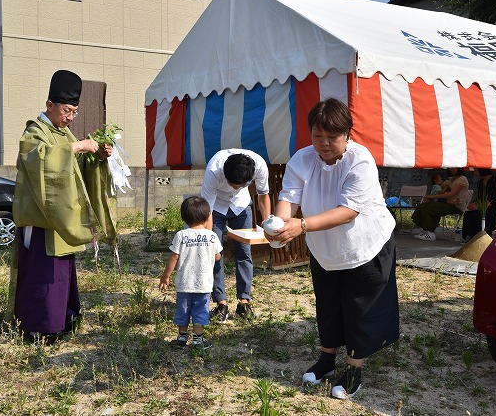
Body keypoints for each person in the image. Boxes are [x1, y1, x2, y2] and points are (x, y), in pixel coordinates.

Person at [265, 98, 398, 400]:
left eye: (332, 137)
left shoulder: (360, 161)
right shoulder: (302, 159)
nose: (323, 144)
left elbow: (348, 211)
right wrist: (280, 223)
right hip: (325, 249)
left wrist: (301, 226)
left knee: (360, 307)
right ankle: (327, 358)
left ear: (347, 134)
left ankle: (354, 367)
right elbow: (289, 196)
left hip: (365, 246)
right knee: (328, 303)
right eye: (317, 135)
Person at [6, 69, 114, 344]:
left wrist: (98, 156)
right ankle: (37, 328)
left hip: (61, 219)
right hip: (41, 219)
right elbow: (39, 160)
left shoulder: (64, 134)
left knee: (61, 275)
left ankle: (62, 321)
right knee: (41, 276)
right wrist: (77, 147)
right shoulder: (34, 132)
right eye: (67, 111)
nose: (70, 118)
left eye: (74, 112)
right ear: (49, 106)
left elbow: (75, 171)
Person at [201, 149, 271, 322]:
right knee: (215, 254)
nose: (234, 187)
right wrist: (210, 239)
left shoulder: (259, 165)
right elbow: (207, 211)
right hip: (216, 208)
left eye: (239, 185)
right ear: (224, 173)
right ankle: (221, 304)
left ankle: (244, 303)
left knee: (244, 252)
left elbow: (263, 196)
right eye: (232, 183)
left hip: (241, 206)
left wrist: (267, 223)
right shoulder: (213, 170)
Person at [159, 196, 223, 349]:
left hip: (184, 284)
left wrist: (165, 277)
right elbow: (218, 256)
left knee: (183, 310)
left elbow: (174, 257)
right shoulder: (212, 236)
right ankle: (198, 340)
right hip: (204, 285)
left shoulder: (181, 235)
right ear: (208, 216)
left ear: (184, 218)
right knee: (200, 311)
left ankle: (181, 339)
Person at [412, 167, 471, 241]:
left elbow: (451, 194)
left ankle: (430, 233)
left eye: (454, 168)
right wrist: (445, 187)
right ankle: (426, 230)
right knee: (422, 206)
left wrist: (433, 196)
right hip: (447, 203)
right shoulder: (450, 179)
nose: (451, 169)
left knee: (427, 208)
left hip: (456, 206)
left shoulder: (462, 179)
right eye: (450, 168)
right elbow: (440, 187)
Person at [461, 168, 496, 240]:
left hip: (493, 208)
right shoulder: (480, 183)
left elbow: (494, 199)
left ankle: (481, 236)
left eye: (476, 170)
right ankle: (469, 236)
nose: (474, 172)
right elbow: (479, 197)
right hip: (482, 206)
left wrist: (478, 206)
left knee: (477, 214)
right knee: (468, 213)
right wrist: (473, 204)